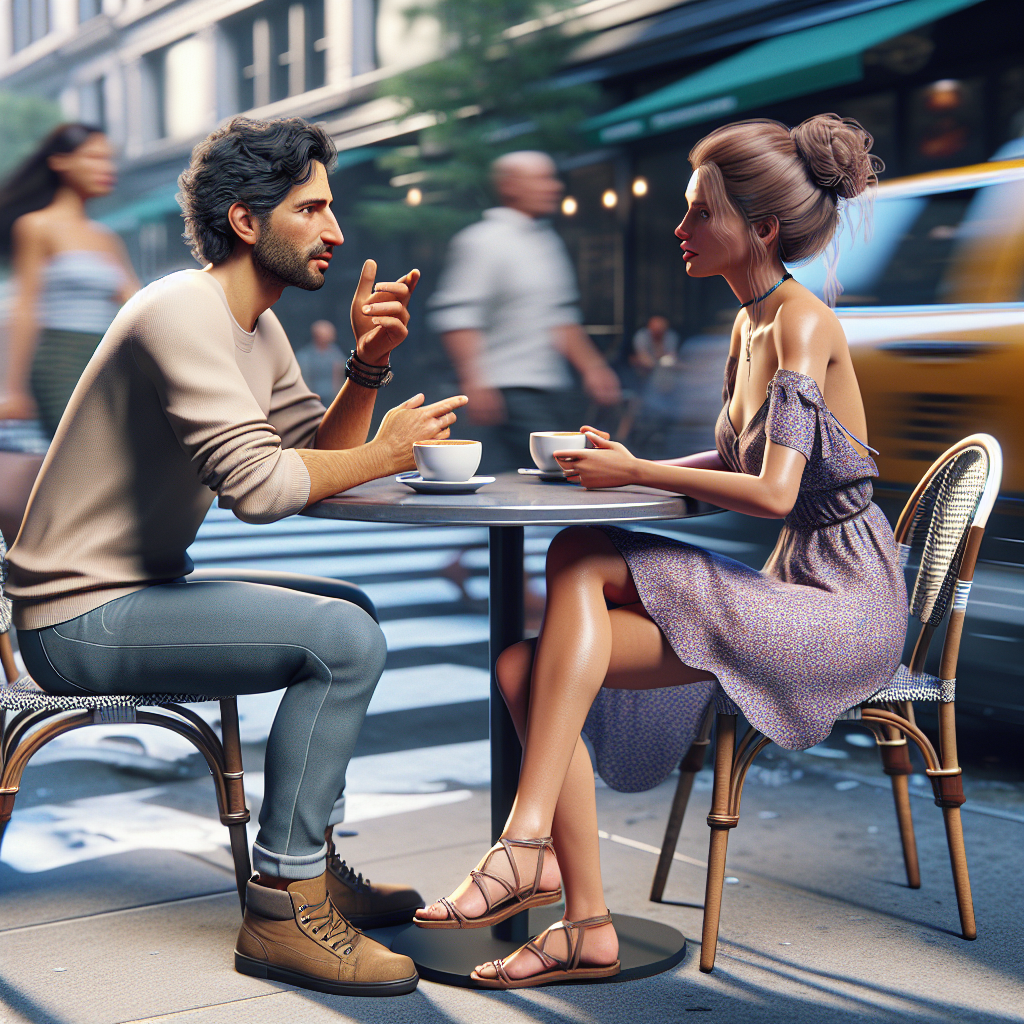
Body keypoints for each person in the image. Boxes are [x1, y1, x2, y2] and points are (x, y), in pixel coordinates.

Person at [414, 114, 907, 989]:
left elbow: (775, 493)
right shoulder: (749, 325)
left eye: (698, 213)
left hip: (842, 610)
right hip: (791, 587)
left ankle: (525, 842)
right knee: (526, 668)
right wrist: (622, 466)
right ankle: (585, 924)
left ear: (761, 228)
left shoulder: (801, 324)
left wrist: (636, 471)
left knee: (582, 552)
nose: (679, 228)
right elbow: (739, 462)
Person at [6, 116, 467, 997]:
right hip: (77, 618)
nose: (336, 231)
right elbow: (259, 489)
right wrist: (391, 451)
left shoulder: (259, 327)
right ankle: (282, 910)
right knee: (343, 642)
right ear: (247, 221)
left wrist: (366, 369)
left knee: (352, 613)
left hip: (136, 590)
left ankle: (310, 862)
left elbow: (312, 462)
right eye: (311, 209)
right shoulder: (181, 309)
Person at [428, 150, 621, 471]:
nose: (555, 187)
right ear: (510, 186)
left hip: (553, 388)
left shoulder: (546, 242)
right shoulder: (482, 241)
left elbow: (559, 318)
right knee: (545, 475)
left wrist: (593, 368)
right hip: (505, 392)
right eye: (542, 179)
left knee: (552, 476)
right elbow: (458, 317)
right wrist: (475, 381)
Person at [0, 123, 140, 436]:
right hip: (60, 361)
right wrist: (14, 389)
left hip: (106, 362)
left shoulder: (106, 238)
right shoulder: (36, 227)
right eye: (94, 157)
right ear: (60, 162)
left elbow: (137, 305)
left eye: (109, 159)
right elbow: (26, 308)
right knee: (82, 450)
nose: (107, 168)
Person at [297, 318, 345, 402]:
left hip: (333, 399)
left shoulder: (336, 354)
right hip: (312, 398)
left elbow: (341, 376)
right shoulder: (304, 357)